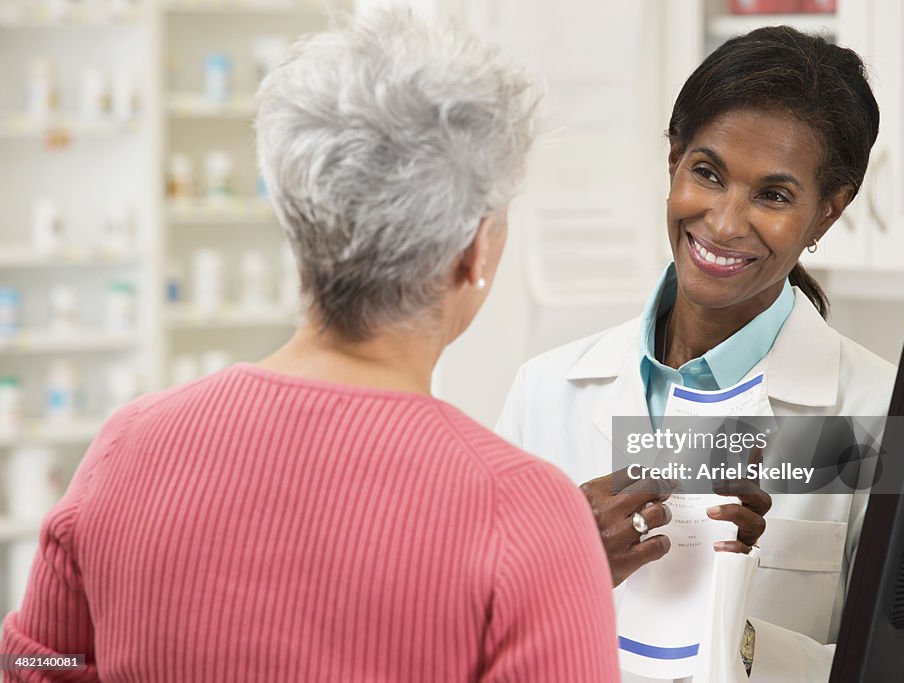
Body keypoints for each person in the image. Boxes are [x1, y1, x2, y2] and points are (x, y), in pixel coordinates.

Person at [0, 11, 620, 683]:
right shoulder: (526, 514)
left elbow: (36, 660)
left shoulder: (126, 447)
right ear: (476, 250)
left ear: (296, 223)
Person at [496, 26, 896, 683]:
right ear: (674, 160)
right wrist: (563, 556)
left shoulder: (881, 414)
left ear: (827, 212)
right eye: (707, 173)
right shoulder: (545, 391)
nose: (724, 222)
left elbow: (903, 667)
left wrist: (731, 636)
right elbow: (471, 635)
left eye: (773, 195)